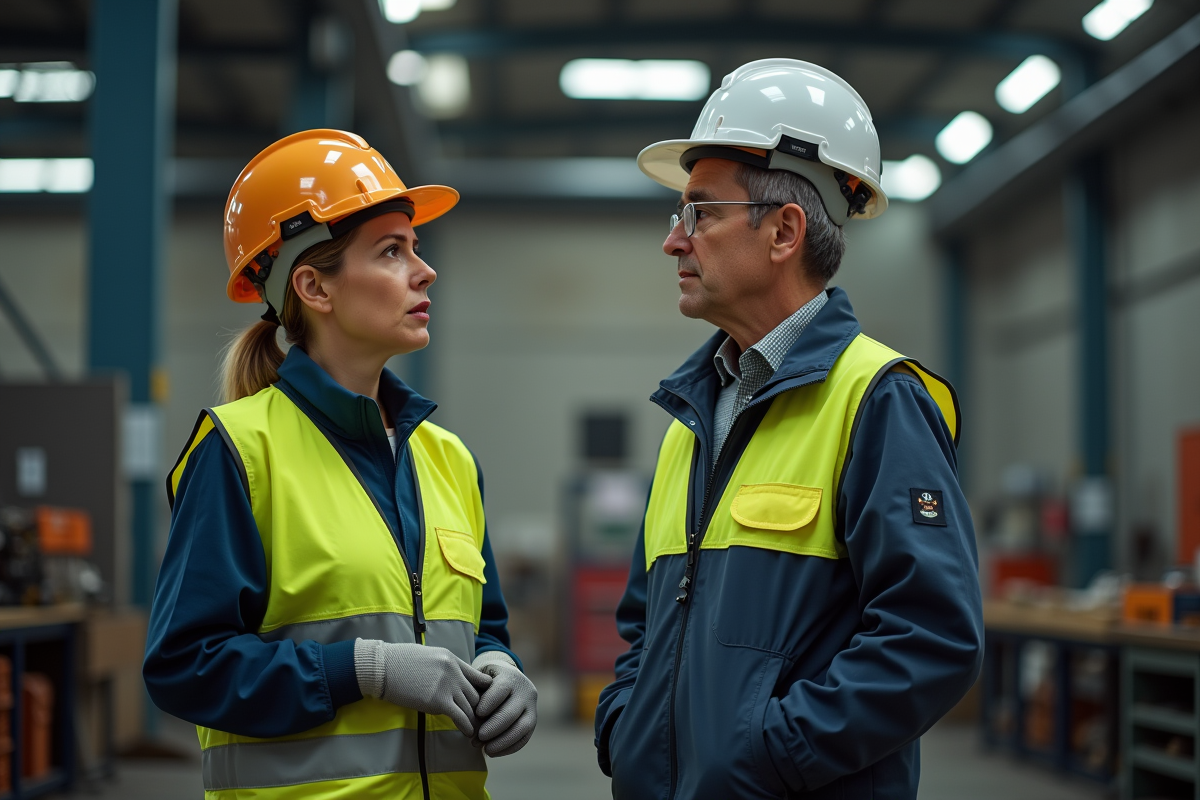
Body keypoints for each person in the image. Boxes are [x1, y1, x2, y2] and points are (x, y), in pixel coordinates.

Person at [594, 59, 983, 800]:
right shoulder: (693, 413)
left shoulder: (877, 399)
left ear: (784, 231)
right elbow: (646, 621)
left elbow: (932, 638)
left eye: (699, 214)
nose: (674, 242)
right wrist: (627, 729)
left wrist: (769, 755)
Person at [144, 129, 537, 799]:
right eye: (391, 251)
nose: (425, 269)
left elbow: (482, 624)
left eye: (414, 248)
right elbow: (186, 665)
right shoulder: (240, 450)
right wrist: (366, 670)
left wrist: (503, 666)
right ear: (314, 287)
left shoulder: (447, 458)